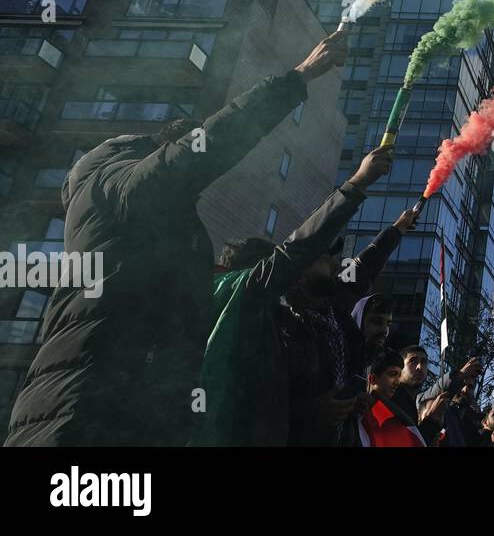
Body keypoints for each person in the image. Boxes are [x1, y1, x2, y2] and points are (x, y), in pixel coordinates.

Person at [4, 30, 350, 447]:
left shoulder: (141, 215)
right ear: (163, 150)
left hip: (121, 419)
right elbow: (199, 153)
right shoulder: (118, 182)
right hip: (87, 419)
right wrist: (300, 76)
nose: (195, 191)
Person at [192, 146, 394, 446]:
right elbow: (252, 408)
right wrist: (357, 183)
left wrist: (345, 405)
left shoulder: (296, 323)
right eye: (324, 259)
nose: (337, 266)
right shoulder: (249, 306)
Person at [280, 204, 419, 446]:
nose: (336, 266)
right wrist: (311, 411)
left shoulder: (335, 311)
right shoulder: (283, 323)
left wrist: (396, 230)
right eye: (326, 259)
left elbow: (363, 269)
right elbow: (261, 400)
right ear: (301, 270)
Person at [358, 349, 425, 447]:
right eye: (392, 374)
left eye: (399, 375)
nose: (397, 382)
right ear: (373, 378)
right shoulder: (357, 410)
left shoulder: (397, 414)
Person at [352, 293, 393, 365]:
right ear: (359, 321)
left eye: (388, 324)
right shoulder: (338, 357)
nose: (385, 330)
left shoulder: (386, 363)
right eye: (377, 322)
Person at [391, 345, 429, 423]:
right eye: (413, 361)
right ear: (400, 367)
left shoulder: (414, 404)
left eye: (423, 362)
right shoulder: (389, 396)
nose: (420, 367)